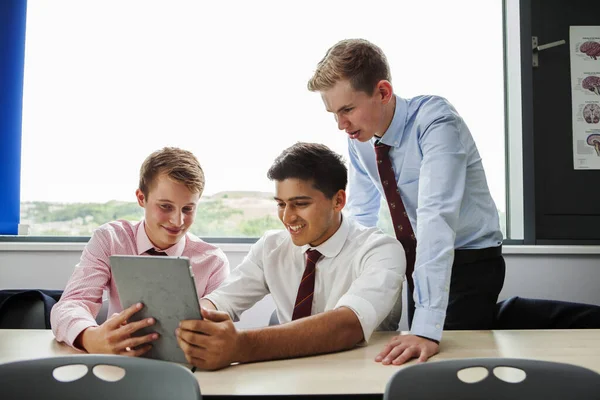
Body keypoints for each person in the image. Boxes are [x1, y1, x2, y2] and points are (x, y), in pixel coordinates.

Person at [307, 39, 505, 365]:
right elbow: (363, 213)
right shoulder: (361, 139)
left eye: (347, 110)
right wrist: (352, 278)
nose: (341, 125)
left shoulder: (436, 123)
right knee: (413, 357)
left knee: (448, 363)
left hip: (471, 260)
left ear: (383, 92)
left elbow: (435, 217)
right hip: (420, 260)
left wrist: (427, 327)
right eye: (333, 113)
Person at [175, 142, 405, 371]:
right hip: (289, 377)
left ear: (338, 201)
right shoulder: (271, 247)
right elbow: (221, 300)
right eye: (281, 204)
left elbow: (347, 325)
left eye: (300, 204)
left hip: (360, 378)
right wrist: (196, 320)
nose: (287, 217)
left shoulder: (381, 250)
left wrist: (240, 345)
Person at [51, 147, 230, 355]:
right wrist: (89, 338)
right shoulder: (110, 239)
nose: (177, 221)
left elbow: (220, 330)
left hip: (188, 368)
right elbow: (72, 303)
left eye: (188, 209)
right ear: (141, 198)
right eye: (165, 206)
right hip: (120, 363)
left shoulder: (213, 262)